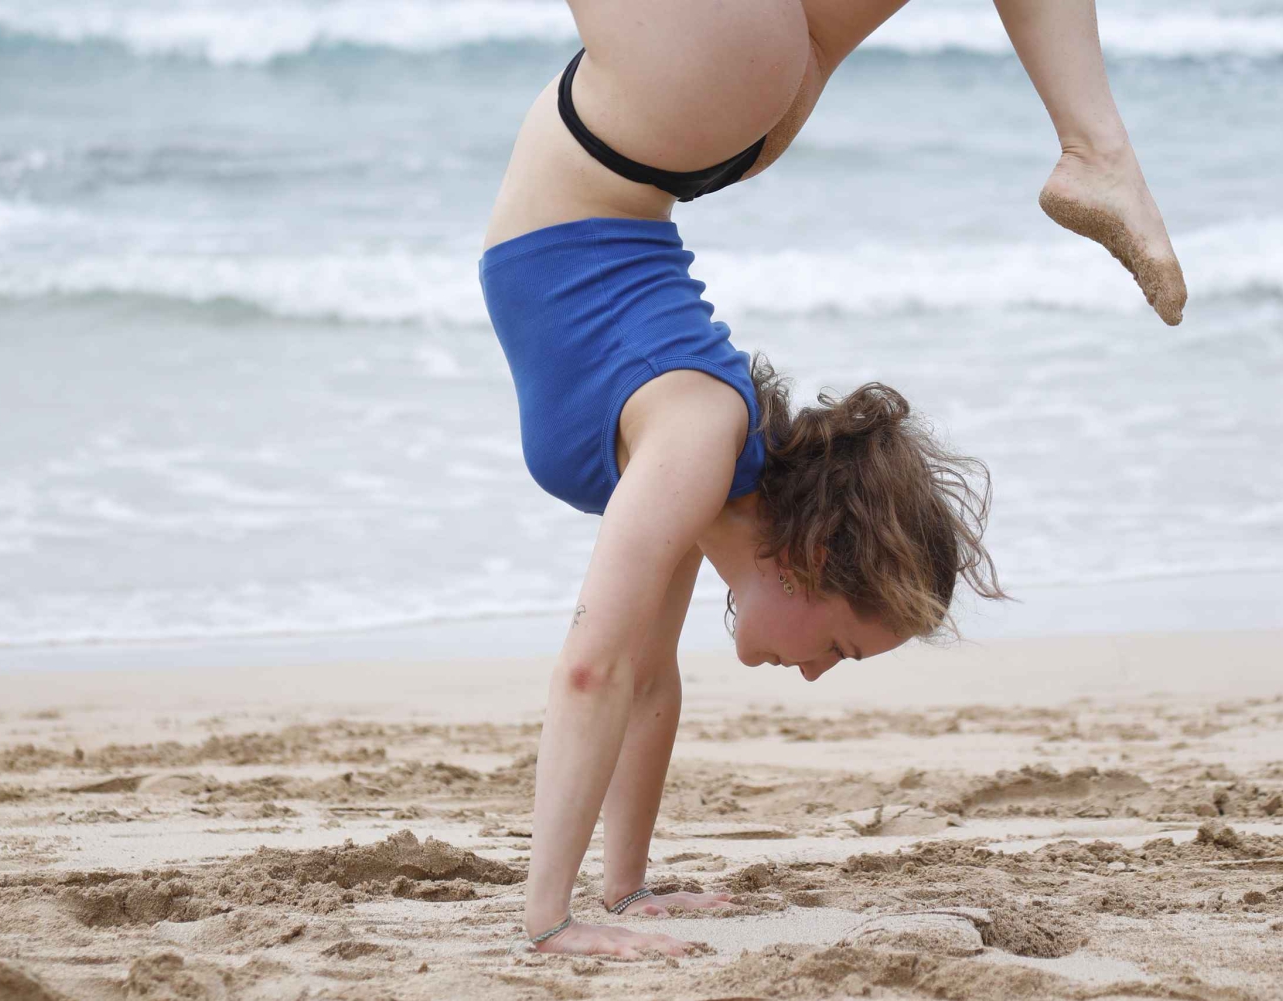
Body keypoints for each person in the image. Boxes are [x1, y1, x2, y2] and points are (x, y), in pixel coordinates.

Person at [479, 1, 1180, 960]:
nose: (814, 672)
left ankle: (1095, 144)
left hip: (720, 111)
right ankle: (1095, 146)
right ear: (812, 556)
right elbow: (592, 669)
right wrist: (551, 922)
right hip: (683, 97)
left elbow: (646, 682)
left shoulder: (707, 483)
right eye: (842, 648)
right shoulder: (697, 438)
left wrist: (628, 890)